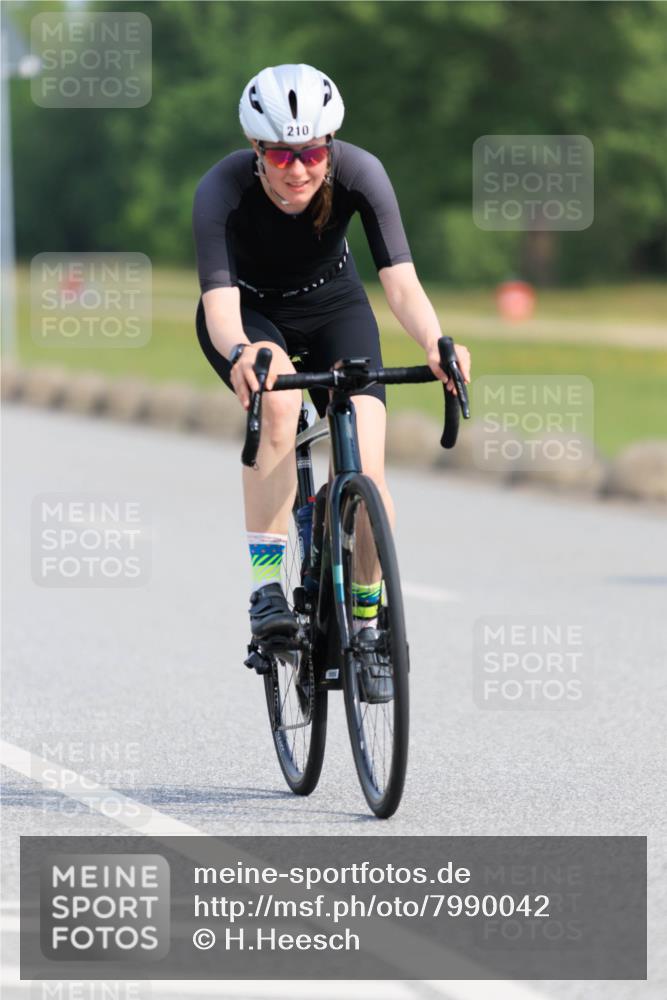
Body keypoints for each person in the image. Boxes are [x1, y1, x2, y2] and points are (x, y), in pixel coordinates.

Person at [193, 63, 471, 646]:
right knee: (275, 402)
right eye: (280, 156)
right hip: (250, 314)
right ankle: (266, 590)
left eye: (313, 154)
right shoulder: (221, 189)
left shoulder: (362, 173)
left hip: (333, 306)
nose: (298, 170)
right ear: (255, 149)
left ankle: (367, 619)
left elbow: (400, 282)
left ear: (330, 147)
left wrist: (435, 344)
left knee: (369, 475)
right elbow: (218, 307)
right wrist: (243, 353)